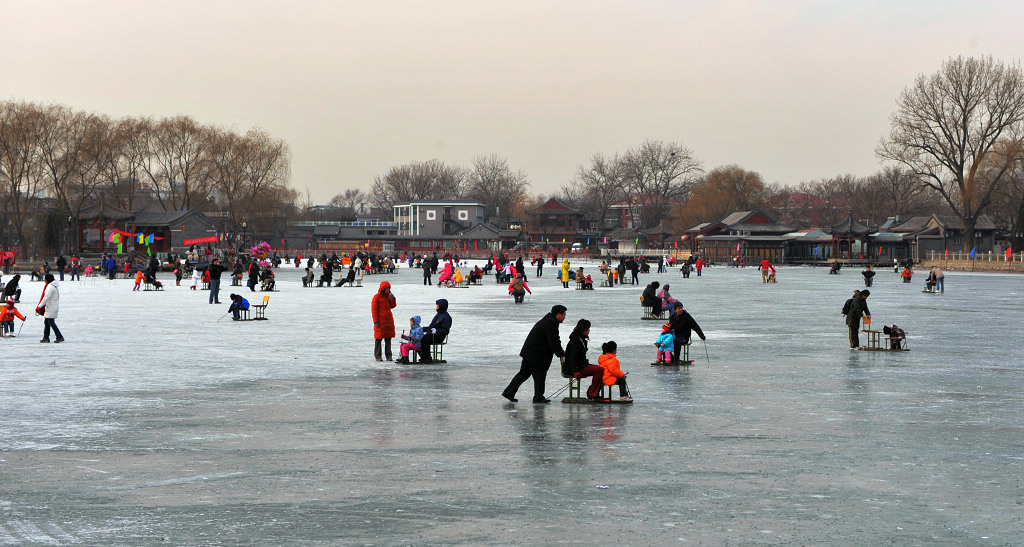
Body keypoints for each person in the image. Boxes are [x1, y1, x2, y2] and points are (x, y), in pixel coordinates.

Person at [502, 305, 566, 403]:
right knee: (539, 374)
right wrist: (560, 353)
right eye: (564, 315)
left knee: (524, 374)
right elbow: (553, 340)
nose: (565, 317)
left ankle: (509, 392)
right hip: (536, 354)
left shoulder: (549, 320)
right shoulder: (550, 322)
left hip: (530, 352)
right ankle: (538, 397)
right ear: (558, 314)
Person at [563, 318, 604, 400]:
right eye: (588, 329)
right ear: (584, 329)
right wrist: (575, 371)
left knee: (602, 369)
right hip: (577, 368)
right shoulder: (576, 341)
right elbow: (572, 358)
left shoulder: (580, 339)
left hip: (581, 365)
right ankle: (592, 393)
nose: (589, 331)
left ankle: (593, 391)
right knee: (599, 370)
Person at [418, 298, 452, 363]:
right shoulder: (438, 315)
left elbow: (446, 330)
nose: (436, 306)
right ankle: (423, 357)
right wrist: (422, 328)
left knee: (424, 340)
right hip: (431, 335)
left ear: (441, 306)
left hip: (438, 337)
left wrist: (437, 331)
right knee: (418, 339)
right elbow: (431, 326)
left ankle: (427, 358)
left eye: (437, 305)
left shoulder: (446, 317)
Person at [371, 280, 397, 362]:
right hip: (380, 321)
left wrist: (393, 299)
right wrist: (376, 321)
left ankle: (389, 356)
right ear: (383, 289)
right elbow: (374, 310)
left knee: (388, 339)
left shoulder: (388, 297)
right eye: (387, 289)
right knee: (378, 339)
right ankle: (378, 356)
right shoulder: (376, 297)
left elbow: (393, 306)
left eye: (389, 289)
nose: (388, 290)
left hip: (388, 321)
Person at [36, 274, 63, 343]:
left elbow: (46, 298)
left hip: (51, 307)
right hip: (52, 306)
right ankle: (46, 337)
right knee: (47, 322)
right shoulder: (55, 286)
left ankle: (59, 336)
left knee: (51, 322)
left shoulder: (50, 287)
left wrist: (39, 306)